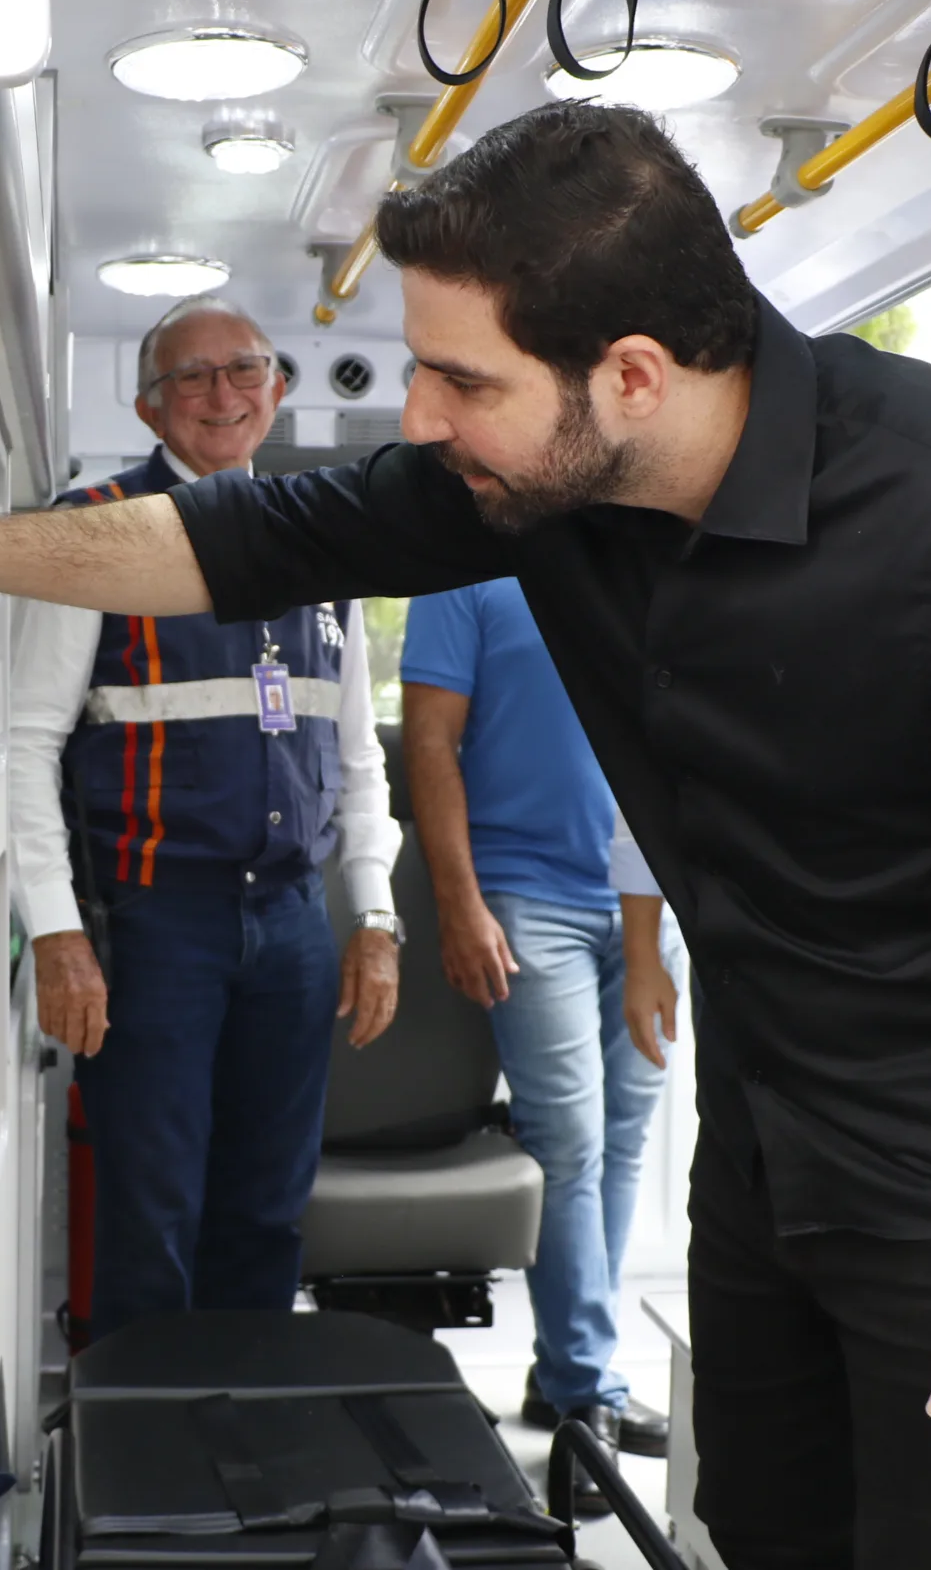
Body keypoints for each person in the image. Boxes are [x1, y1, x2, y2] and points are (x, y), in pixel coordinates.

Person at [0, 101, 931, 1570]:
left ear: (635, 376)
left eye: (459, 381)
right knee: (771, 1529)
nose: (419, 417)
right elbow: (240, 538)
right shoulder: (547, 485)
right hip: (763, 1136)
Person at [7, 295, 403, 1341]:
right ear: (148, 409)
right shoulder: (91, 533)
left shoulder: (326, 538)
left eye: (244, 370)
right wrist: (54, 931)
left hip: (291, 924)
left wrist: (374, 917)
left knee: (269, 1210)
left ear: (276, 391)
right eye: (190, 377)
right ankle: (149, 1463)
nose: (220, 394)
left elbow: (358, 755)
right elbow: (26, 746)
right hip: (151, 926)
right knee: (152, 1210)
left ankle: (253, 1438)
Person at [401, 578, 678, 1512]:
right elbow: (431, 741)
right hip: (525, 896)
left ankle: (565, 1367)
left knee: (627, 1137)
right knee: (570, 1143)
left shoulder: (636, 553)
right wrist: (458, 898)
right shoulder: (462, 574)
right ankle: (583, 1390)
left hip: (644, 898)